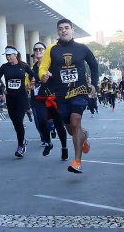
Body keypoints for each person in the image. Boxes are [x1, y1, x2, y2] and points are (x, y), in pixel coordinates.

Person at [38, 19, 99, 174]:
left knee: (75, 121)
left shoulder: (82, 48)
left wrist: (94, 85)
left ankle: (77, 161)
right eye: (60, 28)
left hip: (79, 92)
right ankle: (83, 135)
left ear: (72, 30)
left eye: (66, 28)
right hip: (61, 94)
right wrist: (42, 75)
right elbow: (43, 68)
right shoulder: (51, 49)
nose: (63, 31)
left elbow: (94, 65)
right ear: (57, 32)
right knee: (72, 130)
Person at [0, 47, 37, 157]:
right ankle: (23, 139)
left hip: (21, 97)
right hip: (10, 97)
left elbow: (33, 74)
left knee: (19, 119)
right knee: (14, 121)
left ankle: (20, 146)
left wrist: (32, 82)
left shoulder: (23, 65)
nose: (8, 57)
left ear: (15, 55)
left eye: (9, 55)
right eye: (6, 55)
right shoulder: (4, 67)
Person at [30, 41, 69, 160]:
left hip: (54, 97)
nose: (38, 51)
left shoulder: (53, 64)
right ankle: (48, 143)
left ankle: (64, 147)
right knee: (41, 120)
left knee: (58, 124)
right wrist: (30, 85)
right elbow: (29, 83)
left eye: (40, 49)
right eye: (36, 50)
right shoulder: (32, 68)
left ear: (45, 51)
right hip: (40, 98)